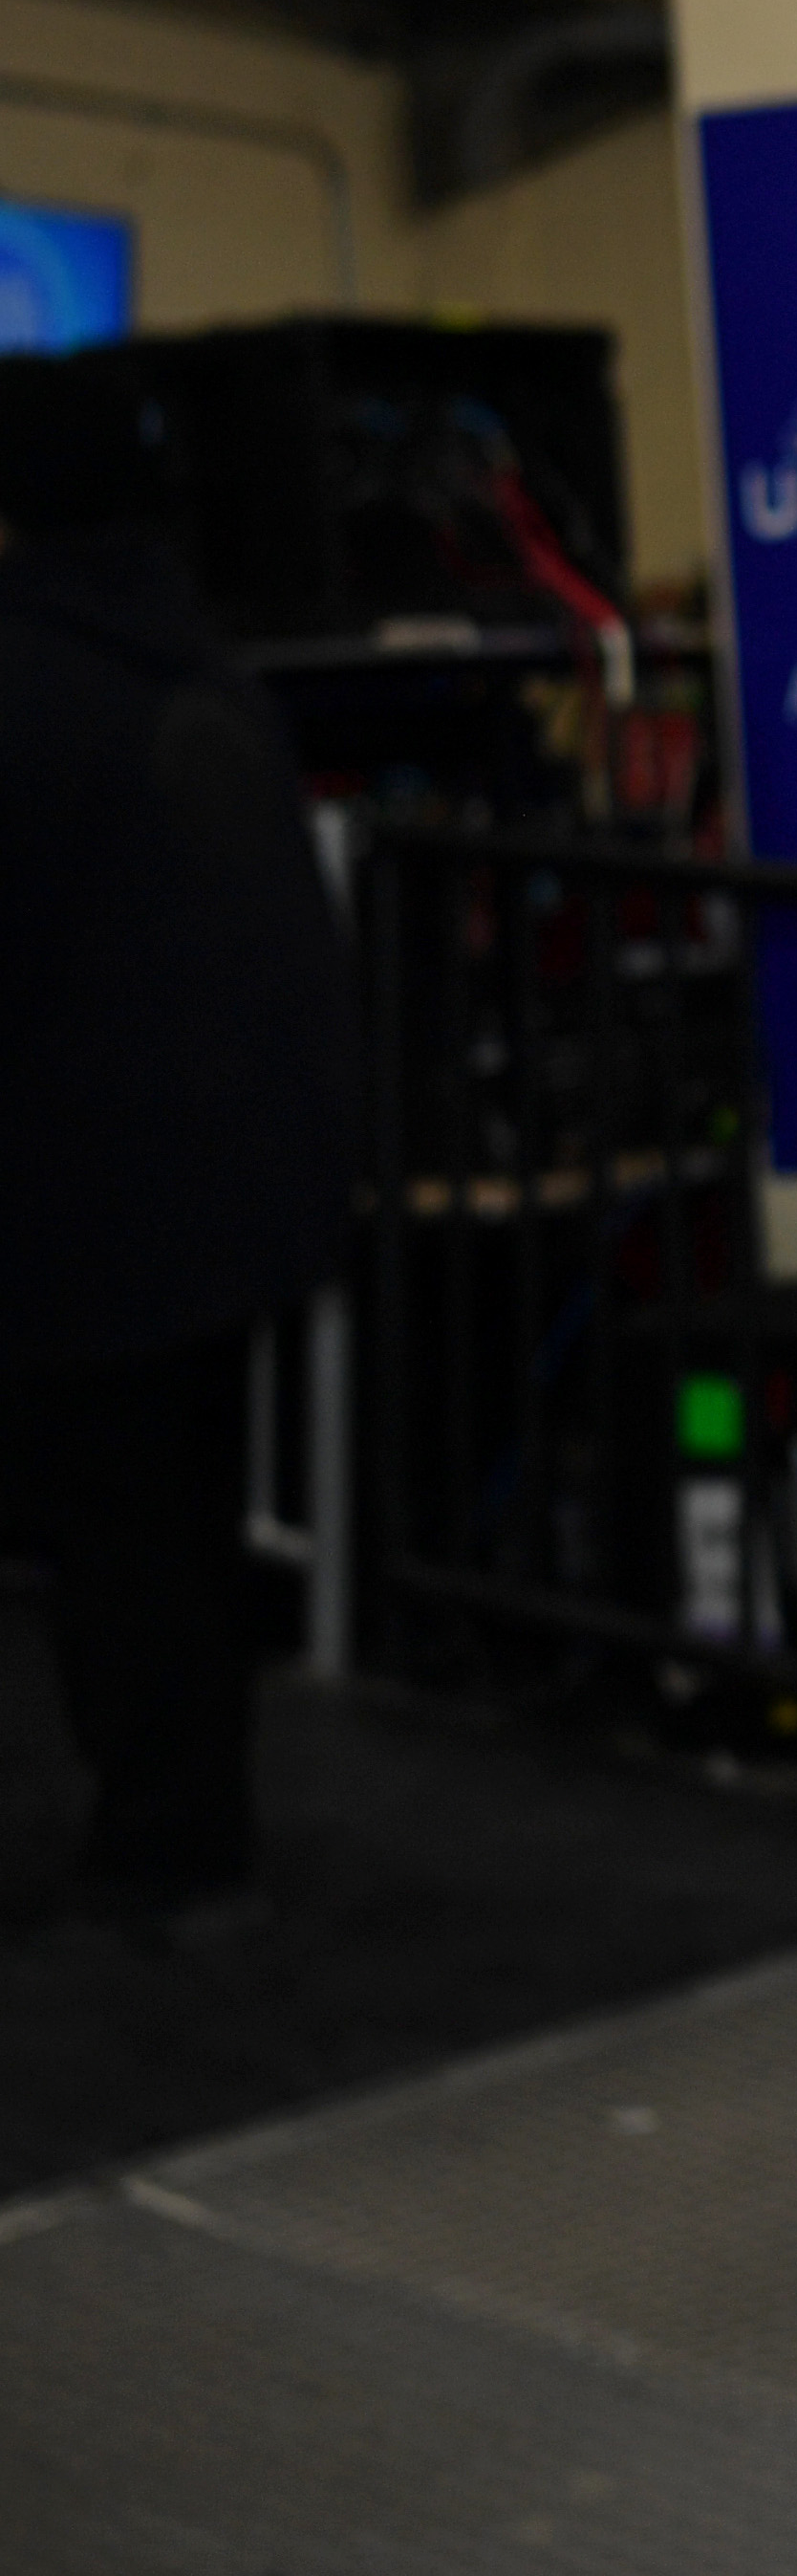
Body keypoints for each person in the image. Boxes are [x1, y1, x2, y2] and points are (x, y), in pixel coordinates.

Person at [0, 448, 355, 1922]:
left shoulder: (32, 678)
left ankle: (160, 1837)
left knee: (119, 1532)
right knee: (177, 1517)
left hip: (92, 1189)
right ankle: (188, 1815)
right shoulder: (197, 665)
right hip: (232, 1185)